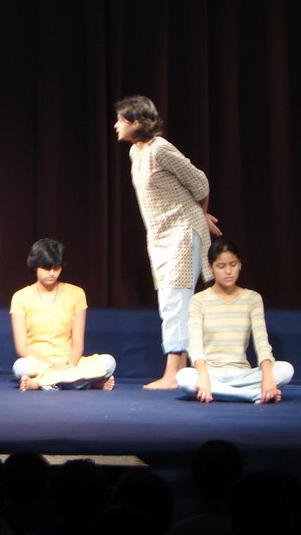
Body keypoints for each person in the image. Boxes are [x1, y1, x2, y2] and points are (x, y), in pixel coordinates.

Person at [114, 94, 220, 389]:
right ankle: (181, 370)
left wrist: (201, 215)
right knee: (170, 300)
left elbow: (200, 182)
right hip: (160, 234)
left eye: (120, 120)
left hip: (181, 232)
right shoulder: (136, 152)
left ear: (137, 122)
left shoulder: (160, 148)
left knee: (174, 300)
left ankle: (173, 373)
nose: (115, 125)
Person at [177, 238, 293, 403]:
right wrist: (203, 375)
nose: (228, 271)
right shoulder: (199, 300)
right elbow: (195, 346)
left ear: (240, 264)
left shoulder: (252, 298)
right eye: (221, 266)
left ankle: (222, 392)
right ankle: (253, 395)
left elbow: (262, 342)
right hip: (209, 373)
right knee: (183, 377)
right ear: (211, 268)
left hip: (242, 374)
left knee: (286, 369)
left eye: (233, 264)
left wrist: (268, 378)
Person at [9, 238, 116, 391]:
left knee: (109, 362)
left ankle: (41, 384)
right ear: (35, 266)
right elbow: (21, 347)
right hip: (39, 363)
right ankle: (86, 383)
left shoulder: (77, 293)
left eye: (57, 268)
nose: (52, 273)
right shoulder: (20, 297)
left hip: (70, 362)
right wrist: (52, 365)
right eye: (47, 268)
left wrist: (70, 364)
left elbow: (78, 343)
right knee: (20, 367)